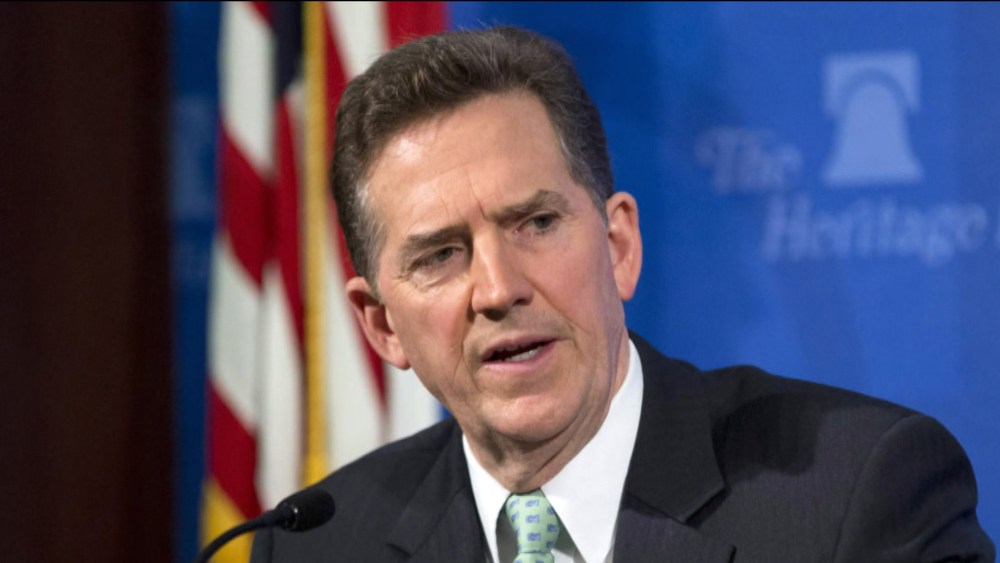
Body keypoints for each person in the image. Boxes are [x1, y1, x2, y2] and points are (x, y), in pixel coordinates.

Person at [251, 26, 994, 562]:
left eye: (536, 223)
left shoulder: (857, 497)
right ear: (382, 326)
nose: (500, 289)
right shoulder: (316, 545)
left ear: (619, 247)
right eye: (441, 256)